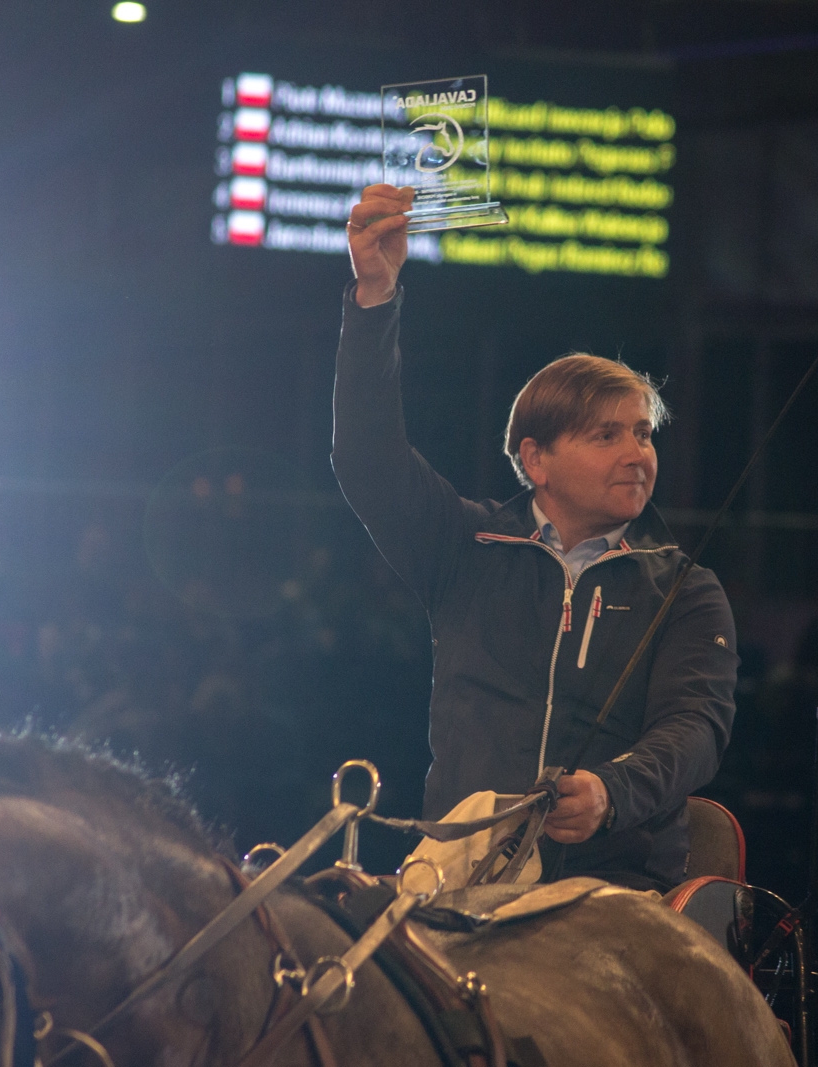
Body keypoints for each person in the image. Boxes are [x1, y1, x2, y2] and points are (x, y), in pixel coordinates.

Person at [333, 185, 738, 890]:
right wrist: (375, 295)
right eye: (606, 435)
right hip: (457, 876)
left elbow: (695, 730)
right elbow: (366, 459)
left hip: (615, 885)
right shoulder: (465, 546)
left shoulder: (685, 589)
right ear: (536, 459)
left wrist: (612, 792)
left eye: (643, 434)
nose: (636, 453)